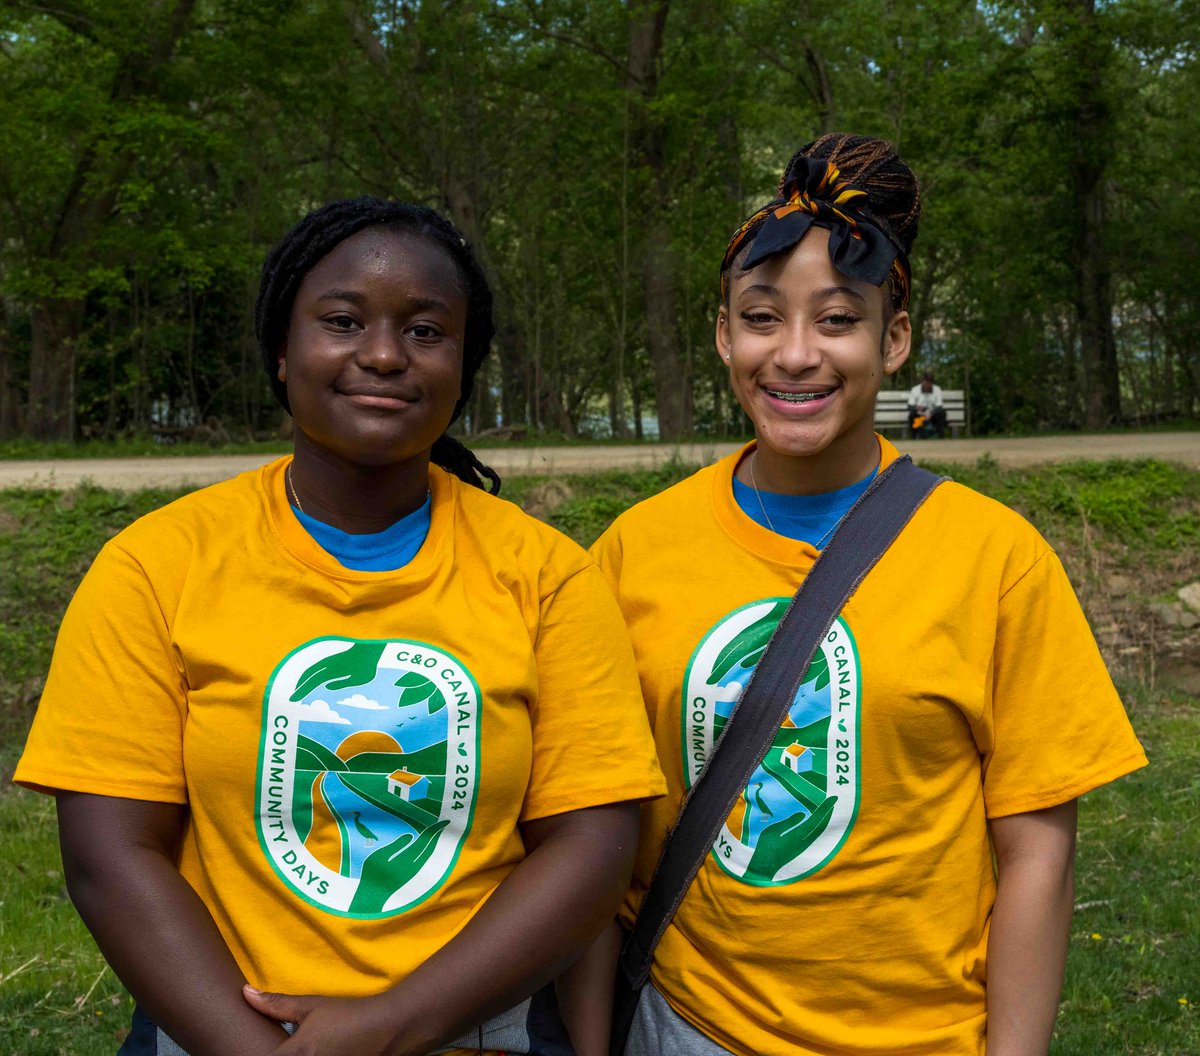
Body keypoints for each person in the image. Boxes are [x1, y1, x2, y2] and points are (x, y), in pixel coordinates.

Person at [15, 197, 665, 1056]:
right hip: (219, 1030)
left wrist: (393, 1025)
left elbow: (591, 847)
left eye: (427, 332)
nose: (386, 354)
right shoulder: (155, 566)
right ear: (283, 351)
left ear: (464, 364)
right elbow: (110, 857)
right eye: (343, 321)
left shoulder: (547, 576)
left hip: (480, 1031)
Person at [589, 135, 1147, 1056]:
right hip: (687, 1024)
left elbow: (1039, 853)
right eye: (763, 318)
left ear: (894, 340)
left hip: (924, 1034)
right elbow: (594, 824)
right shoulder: (631, 552)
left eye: (838, 319)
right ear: (725, 336)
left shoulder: (997, 558)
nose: (797, 355)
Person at [907, 371, 947, 437]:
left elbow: (939, 406)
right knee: (912, 415)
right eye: (925, 383)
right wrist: (918, 409)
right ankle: (914, 437)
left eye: (929, 383)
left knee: (941, 413)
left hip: (933, 415)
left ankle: (940, 436)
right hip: (919, 415)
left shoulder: (937, 389)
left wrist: (931, 413)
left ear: (932, 383)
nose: (927, 385)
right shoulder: (915, 389)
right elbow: (910, 406)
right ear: (922, 381)